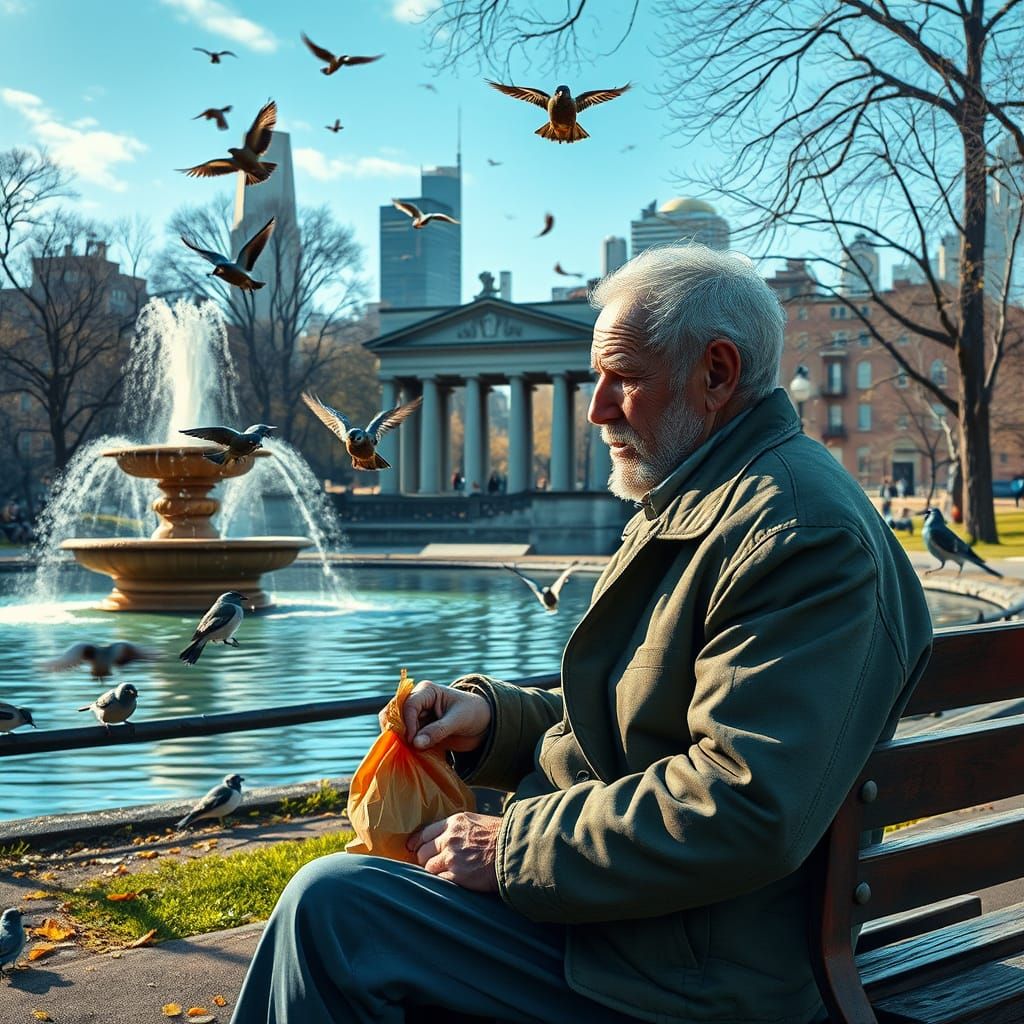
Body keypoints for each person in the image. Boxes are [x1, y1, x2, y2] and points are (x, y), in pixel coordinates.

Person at [231, 245, 933, 1024]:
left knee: (334, 909)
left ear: (717, 373)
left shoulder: (794, 534)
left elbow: (745, 806)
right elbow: (638, 713)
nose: (595, 409)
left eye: (622, 378)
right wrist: (493, 722)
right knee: (344, 902)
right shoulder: (712, 498)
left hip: (689, 976)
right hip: (654, 930)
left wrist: (510, 848)